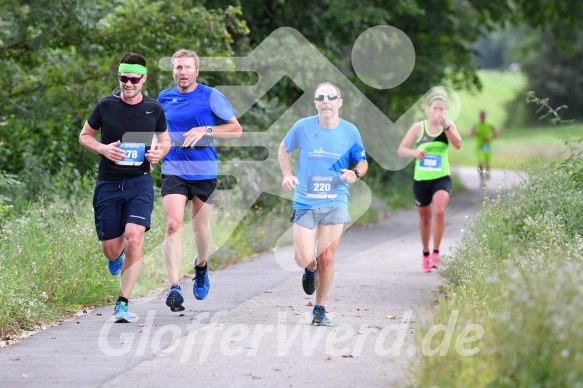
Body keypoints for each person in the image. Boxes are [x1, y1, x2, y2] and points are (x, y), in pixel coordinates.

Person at [79, 52, 171, 323]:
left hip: (139, 184)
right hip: (108, 184)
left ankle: (122, 303)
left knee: (134, 237)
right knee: (111, 249)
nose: (128, 84)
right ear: (118, 77)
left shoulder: (153, 109)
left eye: (133, 79)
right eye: (123, 78)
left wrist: (158, 153)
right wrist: (102, 148)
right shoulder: (106, 105)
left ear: (144, 78)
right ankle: (115, 255)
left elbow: (164, 141)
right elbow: (85, 136)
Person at [158, 49, 242, 312]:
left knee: (200, 230)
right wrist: (153, 150)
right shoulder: (164, 97)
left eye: (187, 67)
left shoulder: (211, 96)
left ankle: (202, 265)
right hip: (173, 167)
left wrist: (205, 129)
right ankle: (174, 287)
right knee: (173, 225)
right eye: (178, 68)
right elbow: (158, 132)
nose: (183, 72)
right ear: (173, 71)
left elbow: (236, 130)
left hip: (204, 170)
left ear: (196, 71)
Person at [279, 82, 368, 326]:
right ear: (316, 103)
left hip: (335, 201)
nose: (326, 101)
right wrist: (287, 174)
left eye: (331, 97)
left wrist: (355, 174)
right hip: (305, 201)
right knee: (303, 257)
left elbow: (362, 162)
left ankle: (320, 308)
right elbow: (283, 149)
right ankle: (310, 269)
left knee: (327, 256)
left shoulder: (350, 132)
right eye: (321, 97)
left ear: (339, 102)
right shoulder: (302, 127)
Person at [397, 93, 462, 272]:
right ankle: (425, 254)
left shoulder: (448, 126)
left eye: (442, 109)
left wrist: (446, 126)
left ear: (444, 110)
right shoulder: (419, 127)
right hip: (421, 180)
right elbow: (402, 149)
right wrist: (414, 153)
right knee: (425, 219)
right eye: (435, 109)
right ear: (429, 110)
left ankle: (436, 253)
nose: (438, 112)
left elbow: (458, 144)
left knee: (439, 211)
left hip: (442, 177)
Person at [470, 110, 499, 187]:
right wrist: (473, 133)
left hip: (488, 147)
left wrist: (490, 138)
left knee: (488, 164)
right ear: (479, 117)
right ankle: (481, 179)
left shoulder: (490, 124)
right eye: (481, 116)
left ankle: (487, 175)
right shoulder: (476, 125)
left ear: (485, 116)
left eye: (484, 116)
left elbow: (496, 134)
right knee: (480, 162)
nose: (482, 117)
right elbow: (471, 133)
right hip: (479, 146)